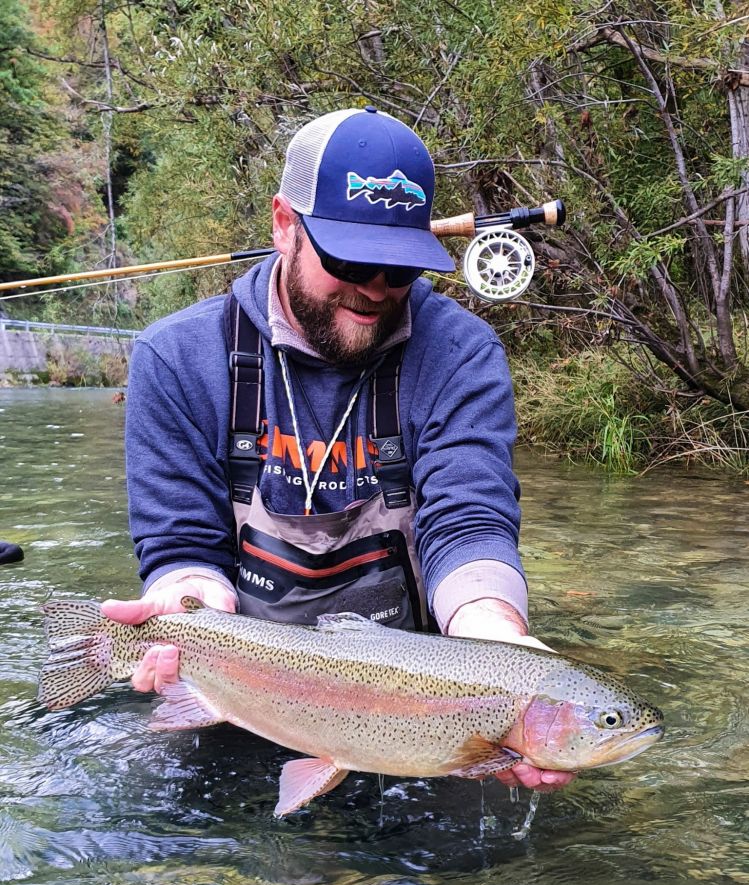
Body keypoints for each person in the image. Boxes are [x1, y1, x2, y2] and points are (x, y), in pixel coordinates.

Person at [103, 106, 574, 792]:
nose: (374, 290)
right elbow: (181, 548)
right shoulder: (177, 357)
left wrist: (499, 651)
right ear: (282, 225)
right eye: (349, 260)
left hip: (414, 698)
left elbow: (467, 523)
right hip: (243, 683)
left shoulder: (460, 354)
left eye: (399, 269)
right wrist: (182, 599)